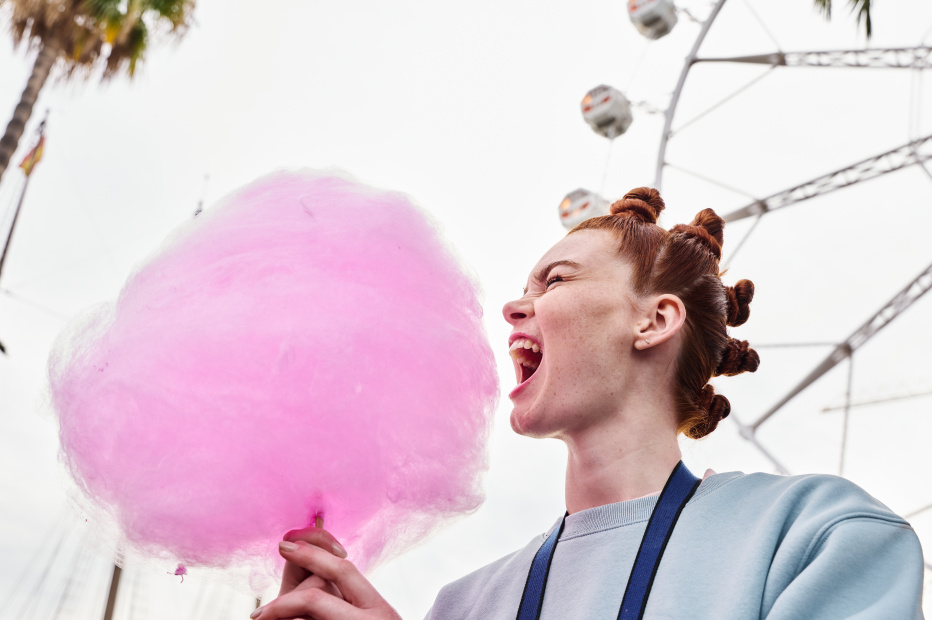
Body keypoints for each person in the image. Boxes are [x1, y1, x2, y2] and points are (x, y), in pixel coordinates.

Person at [251, 188, 926, 619]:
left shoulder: (815, 535)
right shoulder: (463, 606)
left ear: (654, 321)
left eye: (555, 281)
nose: (514, 306)